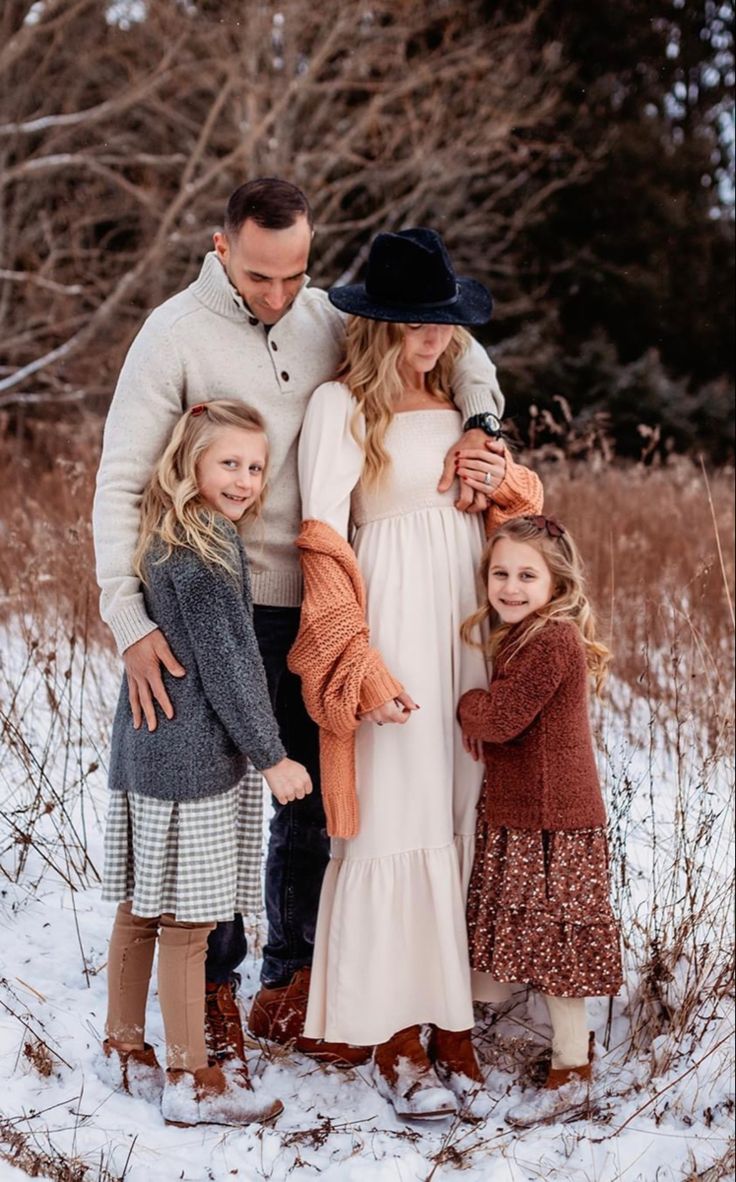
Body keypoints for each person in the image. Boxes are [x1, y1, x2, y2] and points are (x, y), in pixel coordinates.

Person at [93, 178, 507, 1065]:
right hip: (212, 607)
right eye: (258, 277)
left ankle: (293, 975)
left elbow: (450, 346)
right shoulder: (172, 336)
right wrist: (128, 621)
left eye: (294, 276)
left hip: (314, 603)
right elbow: (121, 486)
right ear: (219, 247)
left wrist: (481, 418)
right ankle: (212, 988)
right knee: (217, 801)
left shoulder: (328, 318)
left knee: (312, 799)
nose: (278, 295)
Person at [287, 227, 544, 1119]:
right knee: (394, 815)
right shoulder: (337, 409)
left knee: (460, 802)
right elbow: (320, 540)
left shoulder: (467, 409)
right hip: (390, 625)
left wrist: (502, 471)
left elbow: (516, 515)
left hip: (465, 625)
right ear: (376, 324)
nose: (432, 339)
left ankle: (455, 1020)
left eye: (442, 324)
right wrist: (356, 659)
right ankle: (394, 1029)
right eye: (413, 325)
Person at [101, 400, 311, 1127]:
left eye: (256, 467)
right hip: (191, 760)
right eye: (230, 463)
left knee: (141, 908)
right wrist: (272, 756)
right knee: (190, 925)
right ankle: (194, 1080)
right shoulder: (209, 549)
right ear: (188, 459)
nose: (246, 479)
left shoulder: (163, 535)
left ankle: (125, 1047)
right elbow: (230, 666)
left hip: (145, 751)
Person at [457, 514, 623, 1127]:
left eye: (528, 576)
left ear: (556, 584)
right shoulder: (523, 635)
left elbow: (499, 720)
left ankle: (572, 1067)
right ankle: (500, 1035)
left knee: (557, 942)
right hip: (527, 813)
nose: (510, 587)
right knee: (536, 935)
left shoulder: (552, 639)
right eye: (500, 573)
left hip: (553, 821)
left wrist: (467, 705)